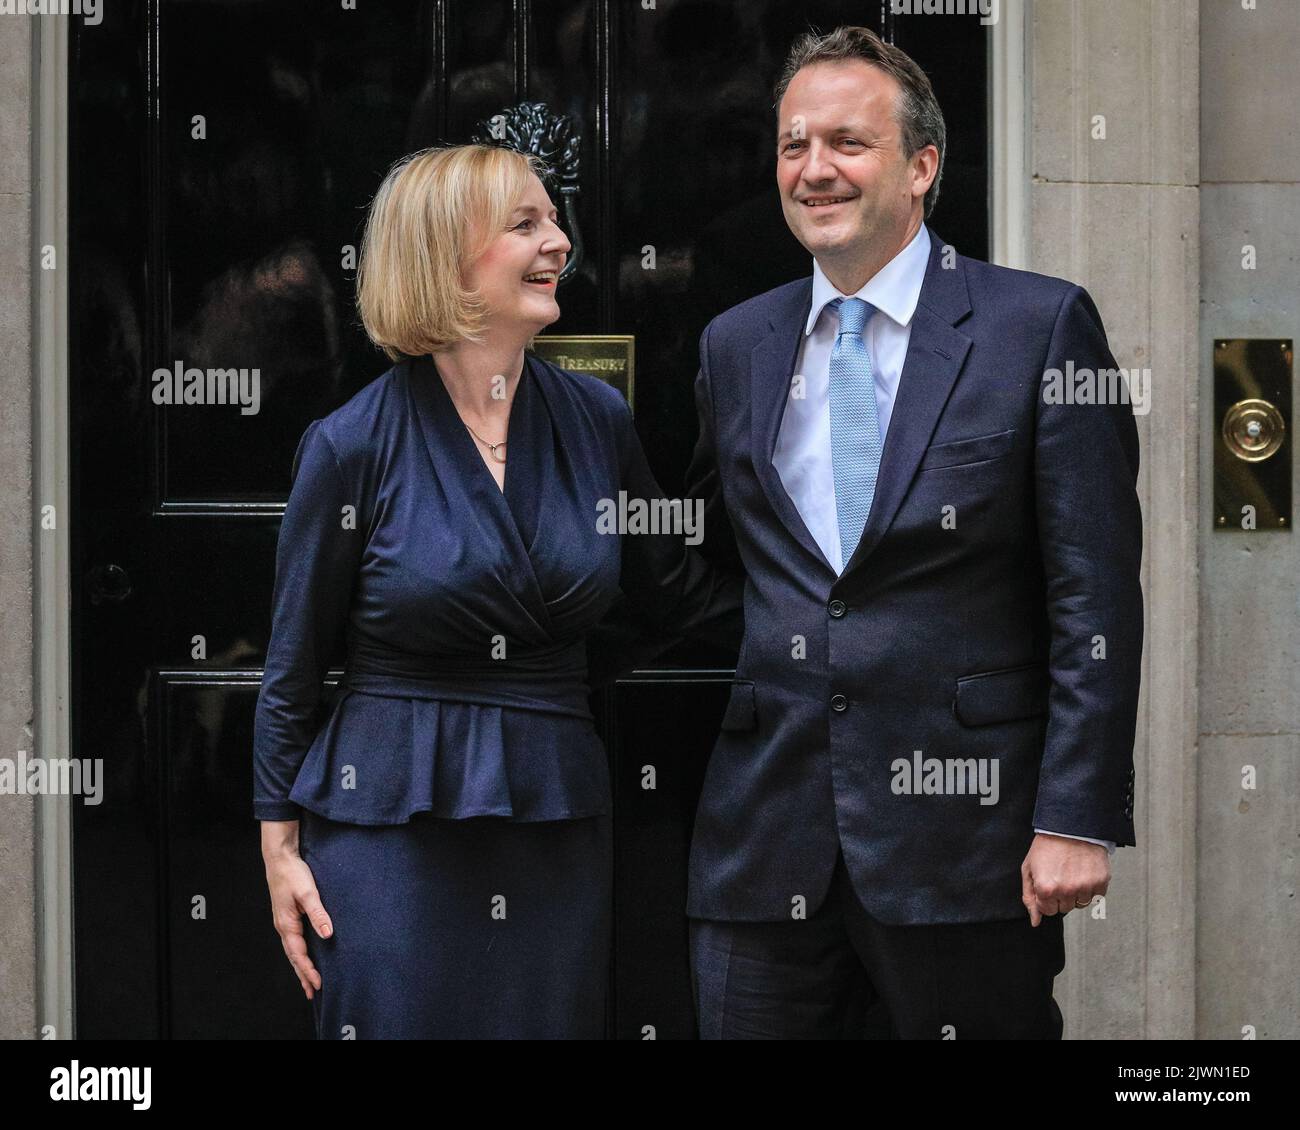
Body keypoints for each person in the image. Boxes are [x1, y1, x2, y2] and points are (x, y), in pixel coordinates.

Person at [681, 26, 1142, 1039]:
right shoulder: (735, 344)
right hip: (765, 838)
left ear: (921, 166)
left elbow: (1093, 590)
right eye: (793, 145)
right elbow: (732, 563)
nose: (813, 169)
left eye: (846, 142)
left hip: (966, 844)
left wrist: (1073, 813)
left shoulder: (1040, 327)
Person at [253, 143, 741, 1039]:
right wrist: (279, 848)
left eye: (554, 220)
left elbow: (672, 596)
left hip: (553, 813)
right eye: (526, 224)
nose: (559, 242)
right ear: (444, 258)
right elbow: (293, 668)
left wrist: (829, 626)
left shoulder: (598, 422)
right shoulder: (350, 446)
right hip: (390, 821)